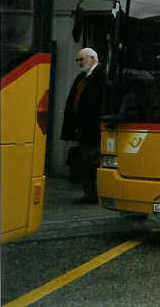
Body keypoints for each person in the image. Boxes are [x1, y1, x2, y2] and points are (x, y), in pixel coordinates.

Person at [60, 47, 105, 203]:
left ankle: (92, 193)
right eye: (77, 60)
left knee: (90, 161)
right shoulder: (82, 77)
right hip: (84, 129)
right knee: (86, 161)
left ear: (92, 58)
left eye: (81, 60)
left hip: (92, 129)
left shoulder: (100, 76)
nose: (79, 63)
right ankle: (90, 192)